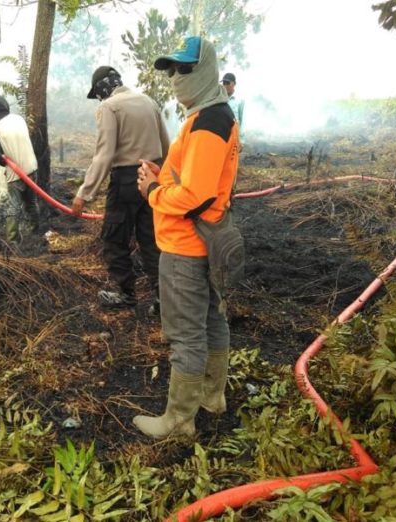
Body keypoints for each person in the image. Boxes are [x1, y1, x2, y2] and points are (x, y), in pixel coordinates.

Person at [133, 36, 240, 439]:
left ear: (207, 70)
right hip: (203, 241)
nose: (177, 77)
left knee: (185, 333)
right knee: (212, 319)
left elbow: (197, 195)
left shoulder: (210, 121)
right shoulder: (210, 115)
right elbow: (201, 182)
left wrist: (153, 192)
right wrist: (164, 175)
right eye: (173, 70)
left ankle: (179, 420)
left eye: (186, 69)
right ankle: (212, 397)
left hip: (186, 246)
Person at [72, 66, 170, 309]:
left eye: (98, 94)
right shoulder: (148, 101)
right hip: (153, 177)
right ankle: (163, 298)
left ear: (103, 88)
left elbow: (104, 155)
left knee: (115, 239)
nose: (99, 99)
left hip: (126, 180)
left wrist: (84, 193)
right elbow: (167, 146)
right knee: (151, 239)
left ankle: (126, 294)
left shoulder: (109, 107)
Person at [0, 94, 40, 244]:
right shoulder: (19, 119)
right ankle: (34, 230)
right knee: (31, 201)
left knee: (13, 206)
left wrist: (7, 166)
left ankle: (12, 241)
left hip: (16, 175)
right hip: (32, 168)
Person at [222, 72, 245, 151]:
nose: (225, 85)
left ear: (234, 84)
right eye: (224, 83)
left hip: (233, 137)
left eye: (228, 83)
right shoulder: (219, 98)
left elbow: (243, 120)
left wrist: (241, 140)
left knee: (231, 161)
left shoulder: (239, 100)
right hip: (221, 135)